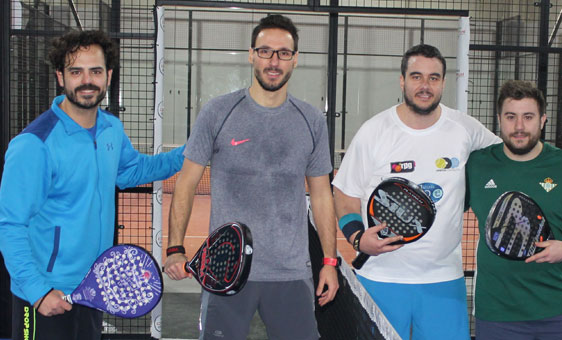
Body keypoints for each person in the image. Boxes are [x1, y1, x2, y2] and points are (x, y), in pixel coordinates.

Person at [163, 14, 339, 340]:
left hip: (290, 273)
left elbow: (322, 194)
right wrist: (174, 247)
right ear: (251, 54)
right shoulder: (217, 112)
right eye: (265, 51)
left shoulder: (311, 120)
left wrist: (329, 261)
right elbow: (185, 183)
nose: (274, 61)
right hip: (225, 270)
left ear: (295, 59)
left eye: (283, 53)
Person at [0, 30, 185, 340]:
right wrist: (38, 291)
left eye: (95, 71)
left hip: (94, 287)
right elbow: (11, 226)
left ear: (108, 76)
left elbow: (133, 170)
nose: (87, 80)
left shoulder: (111, 128)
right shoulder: (34, 145)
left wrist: (189, 154)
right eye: (76, 71)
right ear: (61, 77)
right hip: (46, 293)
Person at [332, 44, 500, 340]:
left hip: (443, 282)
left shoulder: (464, 128)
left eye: (434, 78)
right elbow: (344, 194)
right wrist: (358, 237)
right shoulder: (374, 131)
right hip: (380, 278)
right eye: (417, 77)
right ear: (402, 80)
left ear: (444, 83)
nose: (425, 86)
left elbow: (509, 156)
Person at [465, 80, 562, 340]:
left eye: (528, 117)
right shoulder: (477, 164)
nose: (519, 127)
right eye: (511, 117)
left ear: (542, 120)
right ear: (499, 120)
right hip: (498, 314)